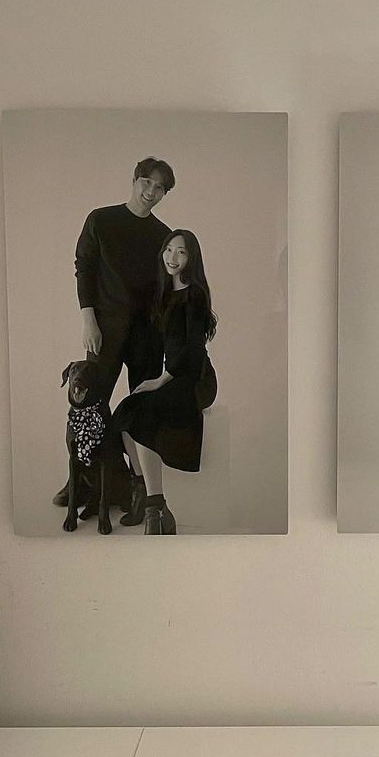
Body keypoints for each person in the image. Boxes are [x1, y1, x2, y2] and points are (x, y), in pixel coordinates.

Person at [52, 156, 175, 516]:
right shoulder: (101, 220)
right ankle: (82, 479)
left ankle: (138, 487)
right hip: (105, 328)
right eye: (147, 182)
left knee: (141, 407)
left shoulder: (163, 235)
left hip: (147, 333)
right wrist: (88, 319)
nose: (151, 192)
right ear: (135, 181)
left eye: (160, 188)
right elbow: (84, 268)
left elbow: (167, 286)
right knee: (89, 405)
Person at [112, 229, 218, 535]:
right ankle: (147, 497)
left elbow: (192, 351)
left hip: (195, 378)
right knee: (125, 413)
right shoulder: (162, 293)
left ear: (191, 258)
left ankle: (154, 509)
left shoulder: (194, 294)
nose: (173, 257)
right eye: (169, 249)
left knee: (141, 416)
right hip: (173, 375)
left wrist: (160, 381)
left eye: (181, 251)